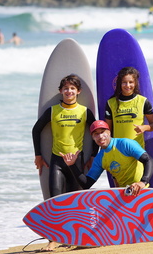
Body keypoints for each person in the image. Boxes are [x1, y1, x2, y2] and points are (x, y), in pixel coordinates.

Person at [32, 74, 97, 251]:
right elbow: (36, 130)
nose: (69, 91)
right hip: (57, 160)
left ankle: (76, 236)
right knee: (56, 200)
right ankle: (54, 239)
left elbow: (97, 133)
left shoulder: (85, 112)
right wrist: (38, 154)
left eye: (72, 88)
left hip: (77, 161)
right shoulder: (53, 111)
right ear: (61, 91)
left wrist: (93, 156)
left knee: (76, 201)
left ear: (78, 91)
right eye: (66, 88)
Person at [60, 120, 153, 195]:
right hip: (124, 193)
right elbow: (86, 184)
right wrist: (72, 165)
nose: (100, 136)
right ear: (92, 137)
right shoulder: (100, 158)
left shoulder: (125, 144)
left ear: (109, 132)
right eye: (96, 134)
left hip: (142, 191)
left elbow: (149, 160)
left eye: (103, 132)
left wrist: (143, 182)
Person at [104, 67, 153, 149]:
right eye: (124, 82)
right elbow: (108, 129)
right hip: (117, 149)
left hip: (137, 150)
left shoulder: (143, 101)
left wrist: (144, 127)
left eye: (131, 82)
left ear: (135, 83)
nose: (127, 85)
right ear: (119, 83)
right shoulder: (111, 103)